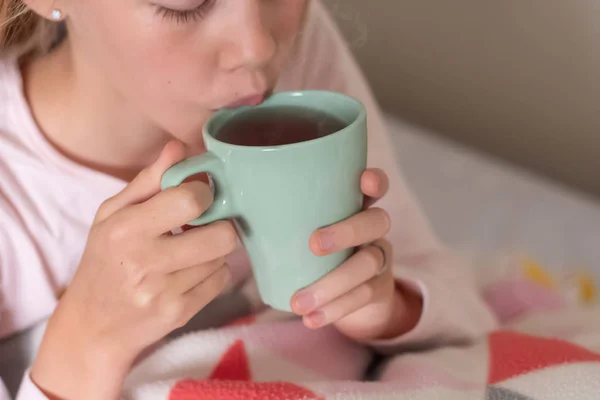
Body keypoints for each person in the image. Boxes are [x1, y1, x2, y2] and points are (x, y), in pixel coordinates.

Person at [0, 0, 497, 399]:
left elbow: (452, 296)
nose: (257, 45)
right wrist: (84, 343)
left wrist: (382, 306)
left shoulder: (296, 54)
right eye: (186, 5)